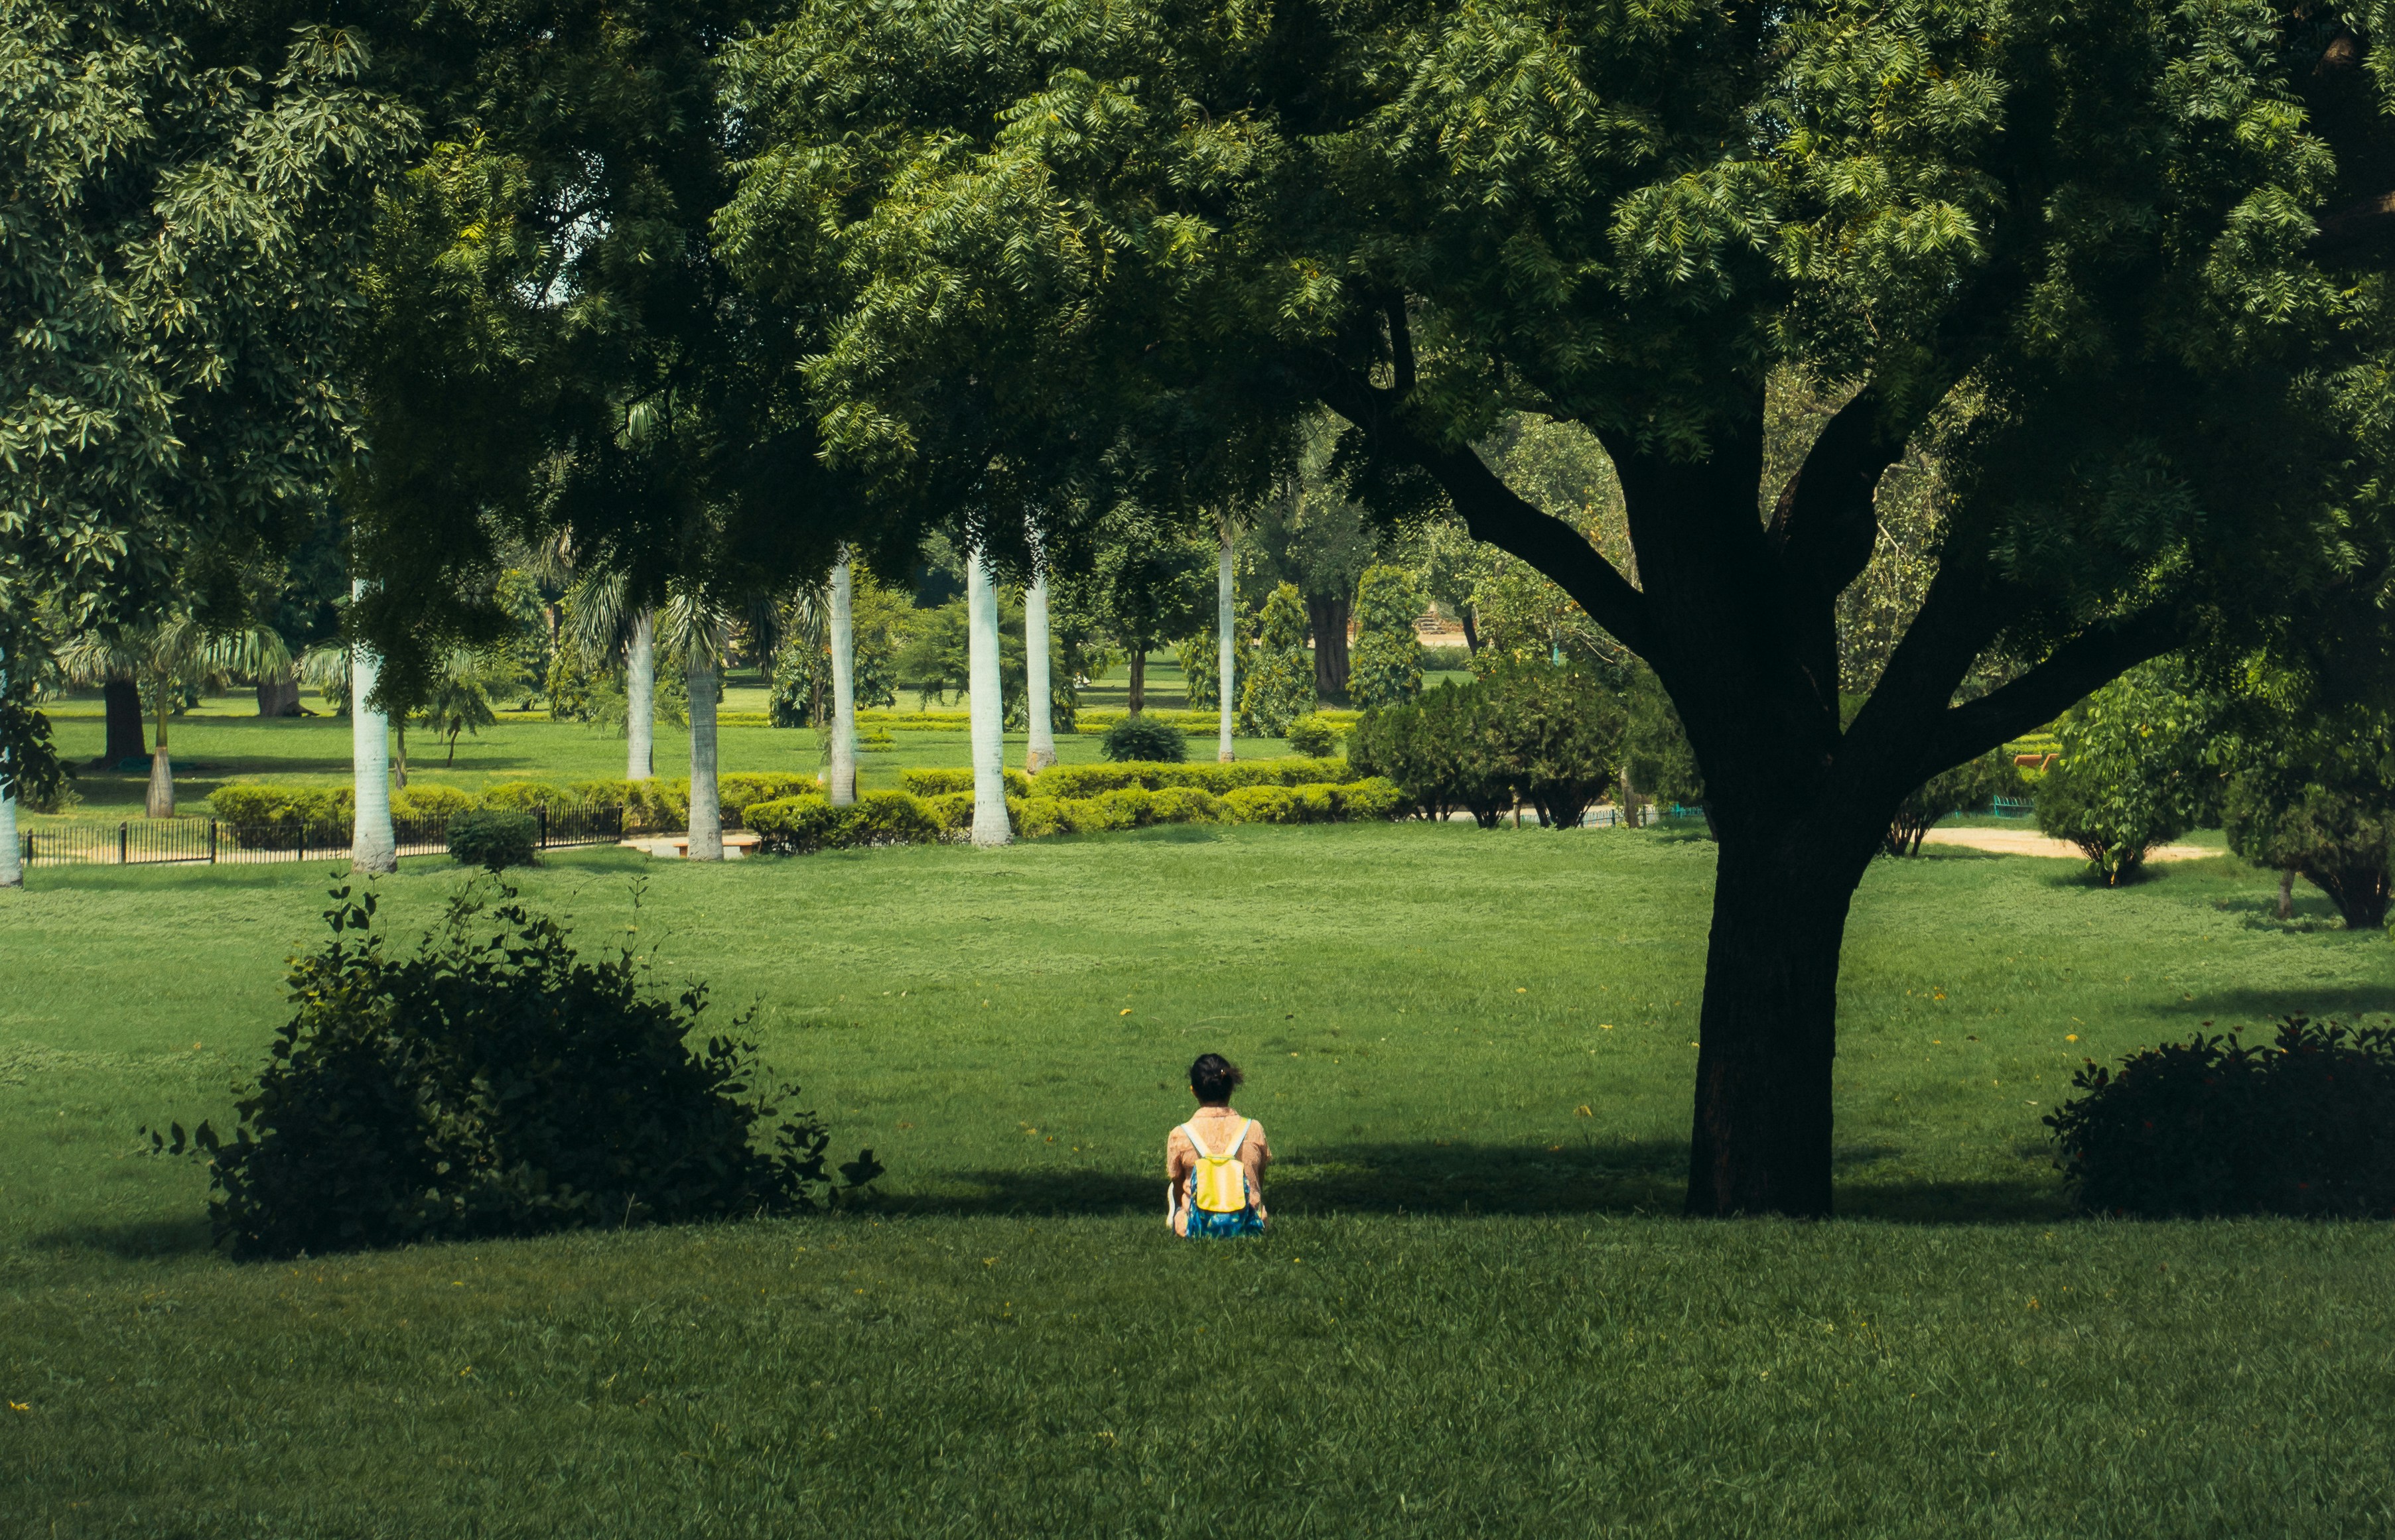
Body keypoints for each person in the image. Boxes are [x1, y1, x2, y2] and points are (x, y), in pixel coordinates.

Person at [1166, 1053, 1270, 1238]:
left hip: (1197, 1229)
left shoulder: (1180, 1135)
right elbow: (1258, 1183)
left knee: (1176, 1192)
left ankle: (1179, 1223)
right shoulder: (1253, 1129)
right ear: (1230, 1089)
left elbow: (1178, 1184)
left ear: (1194, 1091)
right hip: (1248, 1227)